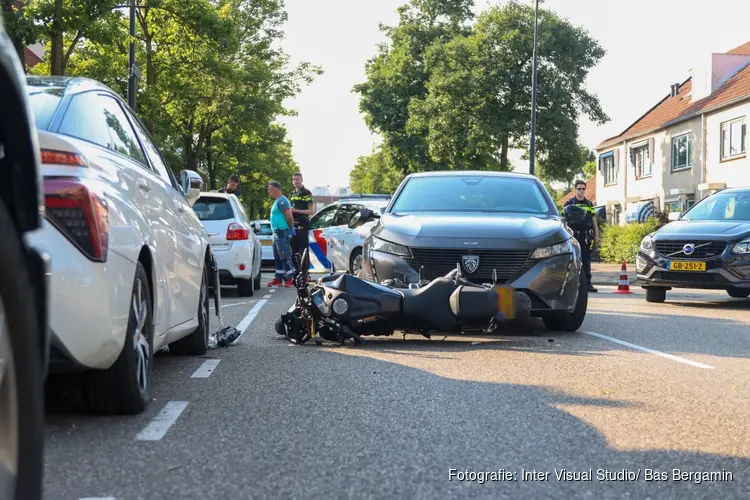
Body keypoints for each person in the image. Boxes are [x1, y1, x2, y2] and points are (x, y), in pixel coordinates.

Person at [564, 179, 599, 293]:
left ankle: (587, 284)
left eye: (583, 189)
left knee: (586, 260)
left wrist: (596, 235)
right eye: (579, 189)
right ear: (575, 190)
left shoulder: (589, 204)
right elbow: (563, 220)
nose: (581, 191)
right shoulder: (569, 203)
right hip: (573, 235)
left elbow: (594, 220)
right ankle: (569, 284)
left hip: (586, 236)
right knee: (572, 260)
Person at [267, 180, 296, 287]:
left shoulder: (282, 201)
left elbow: (289, 216)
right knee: (277, 256)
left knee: (285, 255)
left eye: (270, 189)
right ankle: (279, 277)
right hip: (276, 233)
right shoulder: (277, 201)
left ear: (276, 189)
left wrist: (290, 229)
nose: (268, 191)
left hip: (282, 232)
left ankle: (290, 278)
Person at [289, 172, 313, 270]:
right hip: (293, 225)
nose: (295, 182)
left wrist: (296, 210)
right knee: (294, 251)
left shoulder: (306, 193)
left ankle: (304, 273)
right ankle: (296, 272)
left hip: (303, 224)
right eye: (294, 179)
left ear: (302, 180)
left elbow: (311, 211)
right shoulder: (292, 193)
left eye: (297, 179)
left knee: (303, 250)